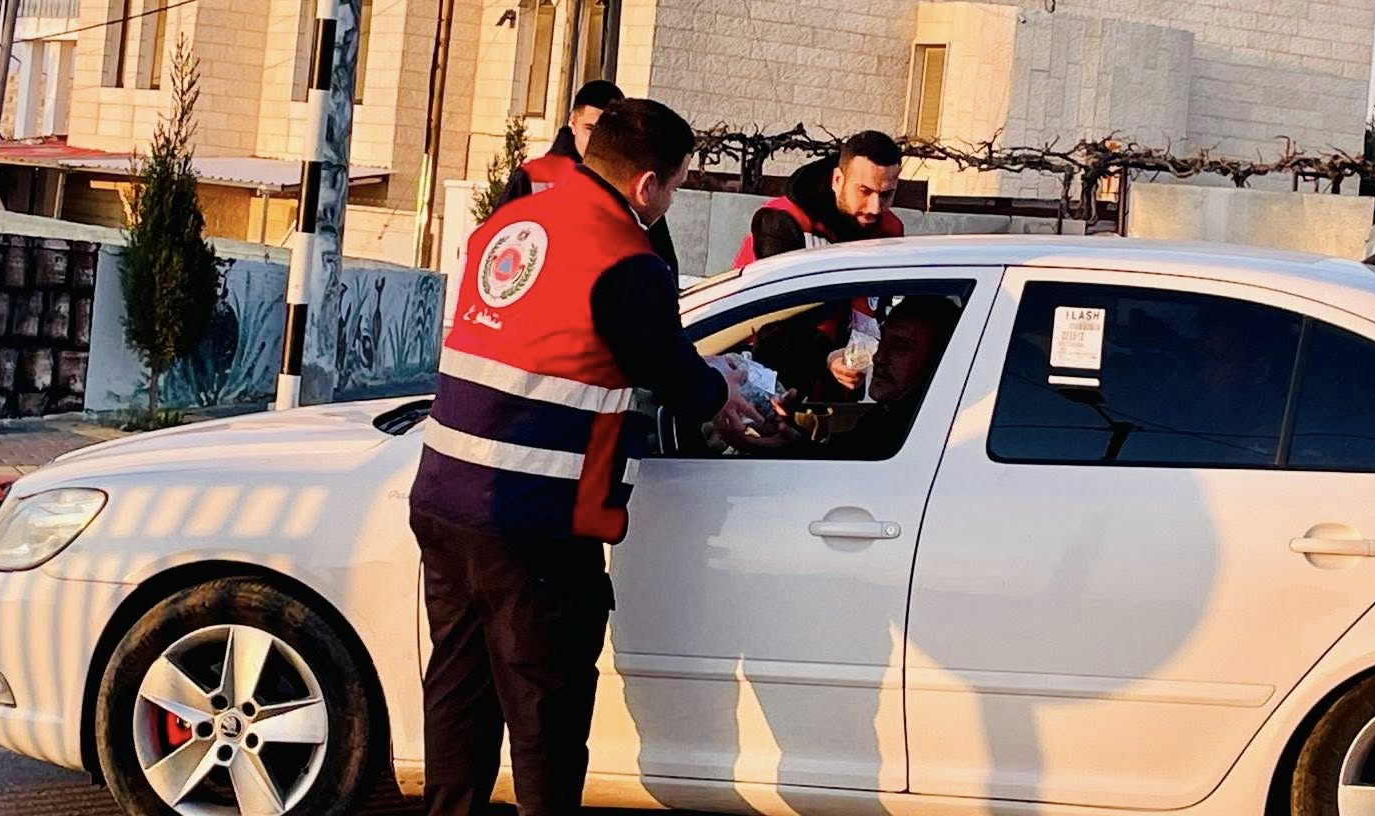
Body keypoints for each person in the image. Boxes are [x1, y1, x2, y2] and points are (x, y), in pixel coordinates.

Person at [408, 98, 758, 816]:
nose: (668, 205)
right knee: (546, 716)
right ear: (646, 184)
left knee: (458, 691)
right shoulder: (625, 259)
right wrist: (720, 390)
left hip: (444, 495)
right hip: (534, 520)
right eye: (676, 188)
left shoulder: (513, 221)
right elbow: (671, 372)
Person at [733, 130, 906, 400]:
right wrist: (825, 358)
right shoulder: (783, 222)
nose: (875, 207)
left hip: (847, 389)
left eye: (886, 195)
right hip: (767, 379)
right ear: (838, 180)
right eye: (865, 191)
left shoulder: (889, 230)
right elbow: (770, 324)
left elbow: (878, 312)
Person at [500, 79, 681, 282]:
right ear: (572, 121)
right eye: (590, 128)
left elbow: (663, 267)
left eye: (605, 132)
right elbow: (498, 250)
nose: (596, 139)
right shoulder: (533, 177)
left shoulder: (634, 184)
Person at [768, 296, 961, 460]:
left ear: (938, 359)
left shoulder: (910, 431)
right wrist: (791, 432)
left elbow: (836, 469)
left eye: (900, 346)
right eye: (882, 340)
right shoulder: (890, 415)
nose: (878, 357)